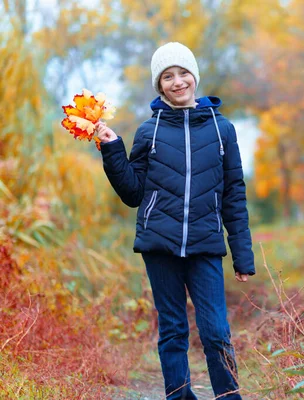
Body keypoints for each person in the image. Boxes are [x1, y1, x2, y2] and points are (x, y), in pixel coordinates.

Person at [95, 42, 254, 400]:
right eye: (168, 76)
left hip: (205, 245)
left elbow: (234, 195)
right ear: (160, 85)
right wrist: (112, 148)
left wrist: (242, 255)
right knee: (172, 330)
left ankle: (229, 396)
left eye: (183, 73)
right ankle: (179, 396)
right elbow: (133, 193)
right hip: (159, 244)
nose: (177, 82)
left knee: (216, 331)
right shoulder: (149, 131)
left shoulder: (222, 130)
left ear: (194, 77)